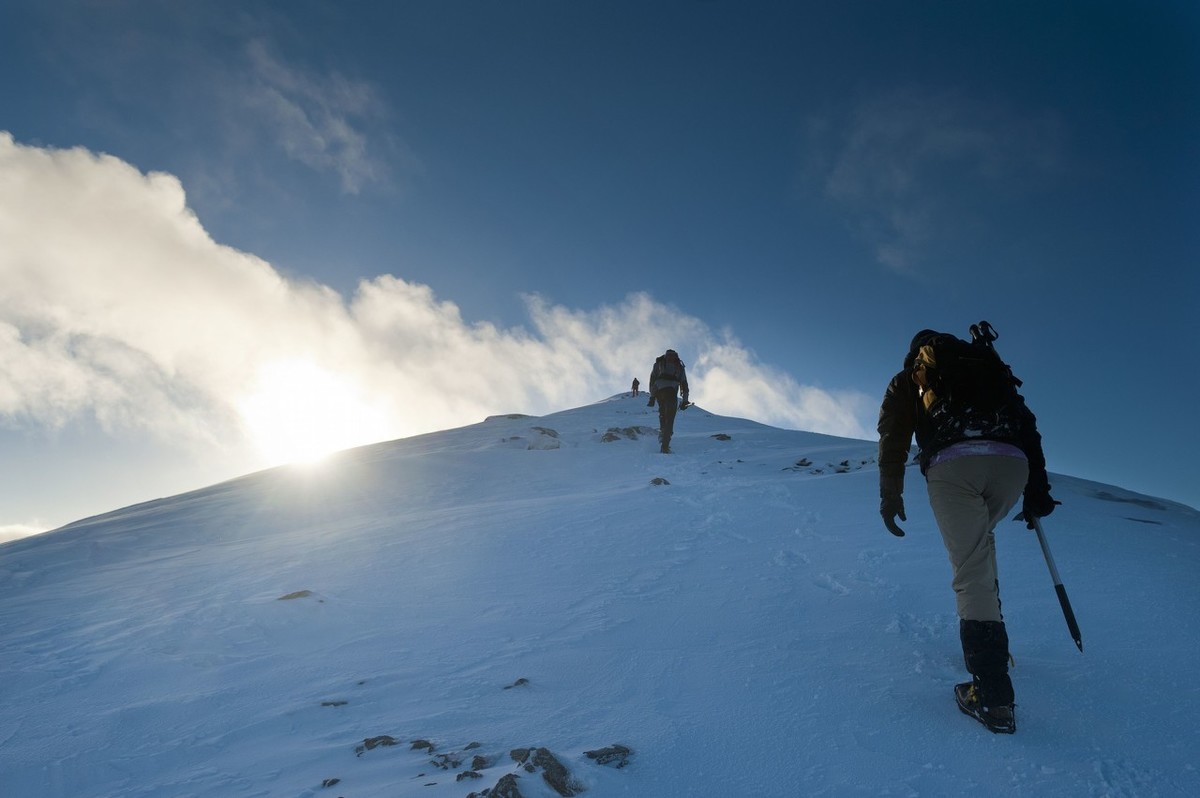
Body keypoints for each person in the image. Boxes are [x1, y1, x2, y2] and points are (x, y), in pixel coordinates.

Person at [876, 327, 1059, 734]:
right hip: (1012, 464)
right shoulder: (987, 367)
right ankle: (994, 646)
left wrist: (890, 496)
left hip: (955, 465)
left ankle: (993, 697)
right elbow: (1025, 422)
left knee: (971, 569)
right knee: (981, 549)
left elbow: (893, 438)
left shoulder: (911, 378)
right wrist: (1037, 488)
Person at [647, 349, 690, 453]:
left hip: (659, 392)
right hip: (671, 392)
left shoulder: (658, 364)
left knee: (662, 414)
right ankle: (665, 446)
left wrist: (652, 397)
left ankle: (662, 433)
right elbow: (684, 384)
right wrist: (685, 400)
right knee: (670, 419)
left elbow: (652, 379)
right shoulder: (679, 366)